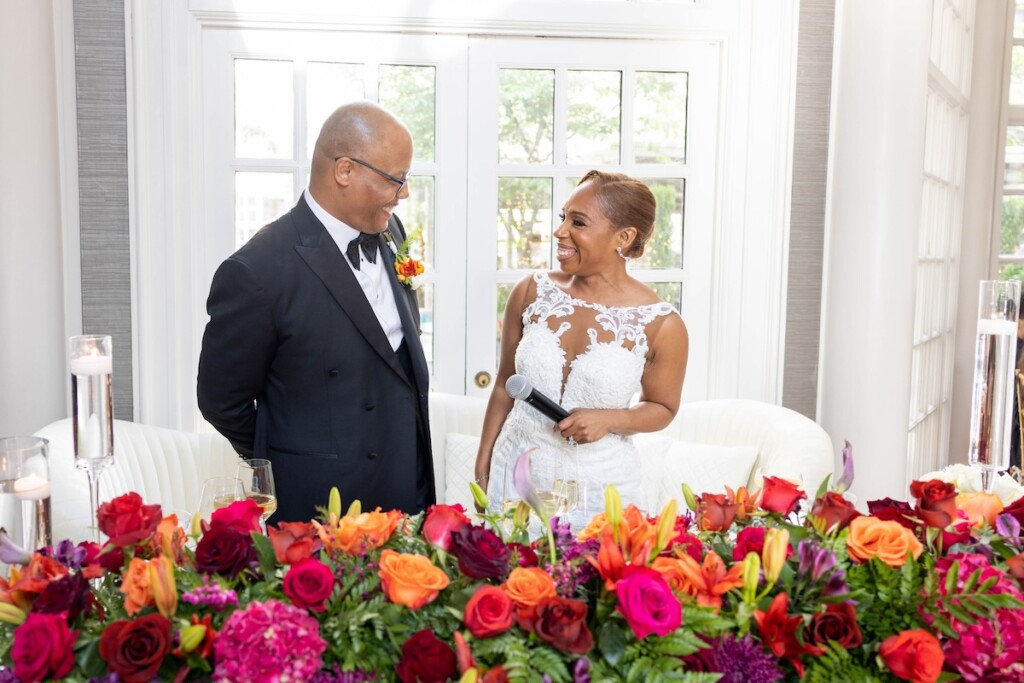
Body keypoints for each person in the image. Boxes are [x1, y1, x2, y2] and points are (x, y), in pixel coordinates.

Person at [197, 101, 433, 523]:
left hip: (406, 492)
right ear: (344, 171)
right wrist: (296, 456)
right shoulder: (256, 270)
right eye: (395, 179)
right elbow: (220, 400)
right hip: (321, 512)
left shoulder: (390, 232)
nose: (404, 194)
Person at [474, 170, 689, 528]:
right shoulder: (531, 291)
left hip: (600, 490)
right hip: (514, 474)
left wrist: (611, 419)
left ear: (624, 237)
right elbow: (504, 384)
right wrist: (484, 461)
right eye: (563, 217)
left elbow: (663, 407)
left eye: (578, 222)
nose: (560, 231)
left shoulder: (663, 324)